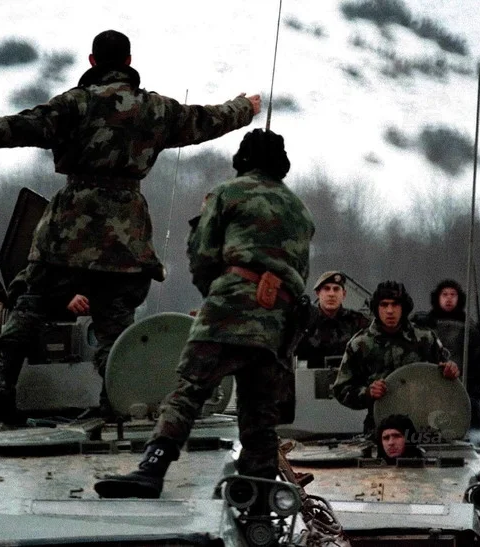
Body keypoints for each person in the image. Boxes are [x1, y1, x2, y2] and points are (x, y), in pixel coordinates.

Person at [0, 30, 261, 422]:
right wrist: (245, 107)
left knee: (33, 299)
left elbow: (25, 126)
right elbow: (207, 120)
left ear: (92, 62)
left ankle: (4, 382)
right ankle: (114, 399)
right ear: (128, 62)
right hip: (124, 233)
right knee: (115, 319)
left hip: (68, 226)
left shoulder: (75, 104)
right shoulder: (156, 109)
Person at [94, 128, 315, 499]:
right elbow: (301, 273)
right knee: (260, 414)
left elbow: (202, 253)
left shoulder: (228, 193)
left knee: (190, 389)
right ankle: (259, 496)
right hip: (278, 320)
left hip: (229, 306)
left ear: (242, 159)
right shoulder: (300, 211)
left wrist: (216, 291)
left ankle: (153, 468)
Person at [331, 281, 460, 432]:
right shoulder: (360, 344)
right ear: (376, 308)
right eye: (384, 305)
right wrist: (367, 393)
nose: (390, 310)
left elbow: (445, 378)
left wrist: (450, 371)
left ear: (403, 307)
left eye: (395, 305)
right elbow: (341, 390)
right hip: (380, 429)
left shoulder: (425, 339)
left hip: (423, 425)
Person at [412, 279, 480, 425]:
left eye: (453, 294)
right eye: (444, 294)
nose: (449, 298)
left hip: (461, 392)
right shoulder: (424, 326)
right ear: (437, 297)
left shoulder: (469, 330)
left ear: (459, 298)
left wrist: (478, 398)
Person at [295, 270, 370, 368]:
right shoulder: (305, 322)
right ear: (318, 293)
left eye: (336, 289)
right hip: (310, 380)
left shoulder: (357, 322)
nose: (331, 294)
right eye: (326, 289)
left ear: (344, 294)